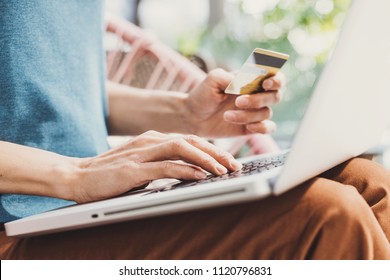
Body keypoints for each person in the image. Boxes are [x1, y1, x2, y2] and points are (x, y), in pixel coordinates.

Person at [0, 1, 389, 260]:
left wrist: (184, 112)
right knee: (324, 214)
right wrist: (75, 174)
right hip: (16, 230)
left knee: (370, 181)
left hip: (82, 211)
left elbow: (50, 92)